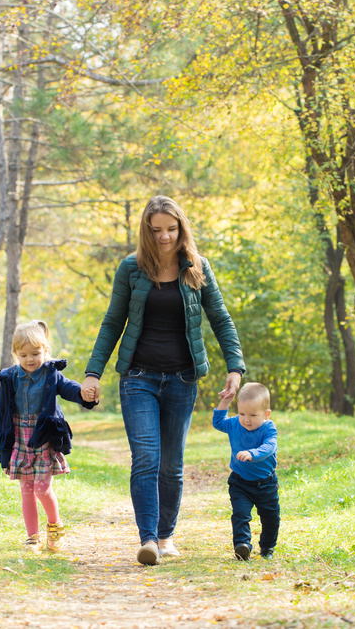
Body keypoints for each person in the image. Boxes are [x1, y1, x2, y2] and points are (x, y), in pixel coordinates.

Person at [81, 195, 246, 565]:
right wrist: (94, 372)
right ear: (146, 231)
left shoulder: (197, 267)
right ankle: (149, 540)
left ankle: (167, 535)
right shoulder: (131, 269)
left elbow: (221, 319)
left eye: (171, 229)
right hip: (138, 376)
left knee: (171, 464)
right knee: (146, 458)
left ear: (181, 228)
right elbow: (112, 323)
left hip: (182, 379)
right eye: (156, 231)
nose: (165, 237)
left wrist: (235, 366)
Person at [0, 320, 96, 553]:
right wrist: (4, 453)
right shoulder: (9, 378)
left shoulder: (51, 374)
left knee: (42, 487)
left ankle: (54, 526)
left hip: (43, 438)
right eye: (24, 355)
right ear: (16, 355)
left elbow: (69, 388)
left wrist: (84, 393)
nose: (30, 359)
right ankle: (32, 537)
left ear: (46, 351)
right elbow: (1, 416)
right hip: (19, 438)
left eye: (35, 353)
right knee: (27, 489)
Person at [213, 382, 279, 561]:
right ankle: (242, 545)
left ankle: (267, 548)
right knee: (240, 515)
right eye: (242, 413)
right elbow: (218, 422)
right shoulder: (235, 424)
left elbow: (269, 447)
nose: (246, 419)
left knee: (270, 518)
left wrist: (252, 454)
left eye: (252, 415)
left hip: (266, 484)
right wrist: (225, 402)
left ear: (266, 414)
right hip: (240, 482)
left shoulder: (268, 428)